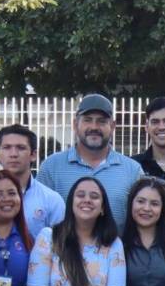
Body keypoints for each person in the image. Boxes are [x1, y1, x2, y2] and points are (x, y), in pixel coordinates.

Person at [40, 93, 144, 222]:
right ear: (75, 124)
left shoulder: (132, 171)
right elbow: (40, 217)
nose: (94, 127)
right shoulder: (51, 167)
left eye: (102, 121)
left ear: (112, 126)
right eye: (87, 120)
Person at [0, 123, 67, 238]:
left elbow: (60, 248)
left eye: (21, 148)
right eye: (7, 148)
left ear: (33, 155)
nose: (13, 154)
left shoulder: (52, 200)